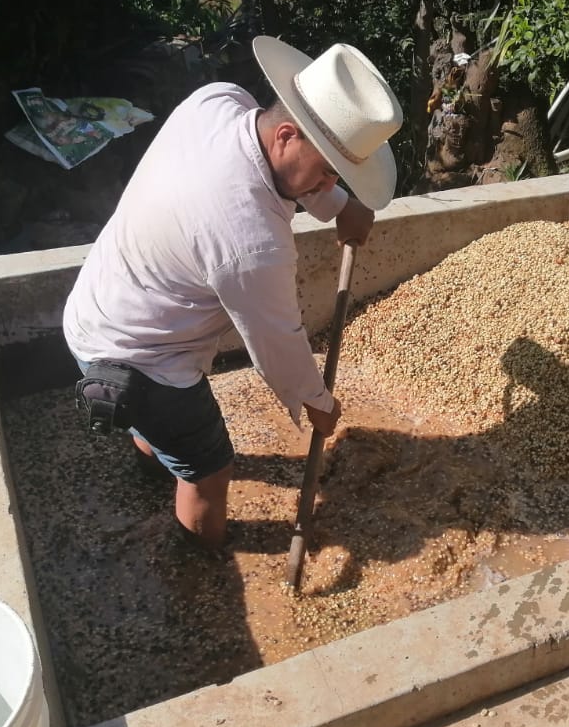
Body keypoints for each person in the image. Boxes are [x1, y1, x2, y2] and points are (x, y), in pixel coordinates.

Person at [62, 37, 403, 553]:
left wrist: (337, 203)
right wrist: (315, 401)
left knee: (164, 432)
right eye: (331, 170)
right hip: (142, 358)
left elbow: (281, 171)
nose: (332, 181)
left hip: (99, 306)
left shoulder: (217, 102)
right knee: (208, 467)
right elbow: (277, 343)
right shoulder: (253, 243)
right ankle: (201, 565)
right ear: (288, 133)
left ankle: (150, 462)